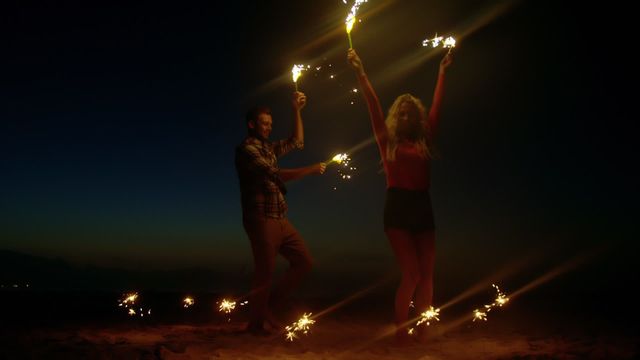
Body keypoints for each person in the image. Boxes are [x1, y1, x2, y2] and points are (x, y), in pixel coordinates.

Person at [347, 48, 453, 343]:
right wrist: (360, 70)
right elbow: (373, 104)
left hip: (422, 205)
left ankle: (423, 327)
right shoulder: (387, 141)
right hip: (397, 207)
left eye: (410, 112)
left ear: (417, 117)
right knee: (412, 274)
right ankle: (400, 327)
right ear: (397, 116)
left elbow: (437, 106)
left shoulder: (425, 138)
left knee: (428, 274)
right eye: (401, 112)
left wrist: (443, 71)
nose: (405, 115)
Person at [235, 91, 326, 336]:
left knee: (304, 262)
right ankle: (255, 326)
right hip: (261, 218)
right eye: (264, 123)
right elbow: (274, 174)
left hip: (280, 218)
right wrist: (309, 170)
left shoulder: (269, 148)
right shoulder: (246, 150)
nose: (268, 128)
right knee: (264, 273)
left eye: (270, 124)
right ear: (252, 124)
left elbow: (297, 142)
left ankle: (268, 309)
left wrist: (297, 109)